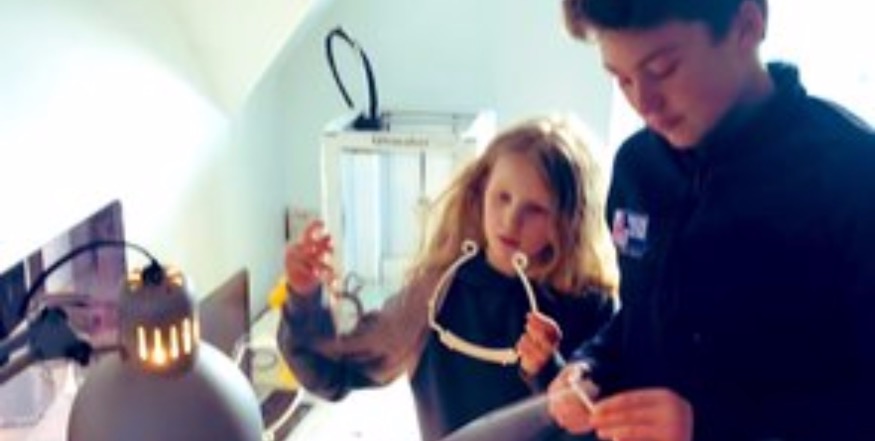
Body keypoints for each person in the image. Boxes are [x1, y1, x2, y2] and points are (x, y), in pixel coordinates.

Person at [547, 0, 875, 440]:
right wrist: (591, 364)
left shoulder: (854, 173)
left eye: (662, 69)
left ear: (748, 25)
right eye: (621, 79)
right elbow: (642, 317)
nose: (643, 102)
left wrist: (713, 425)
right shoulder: (636, 167)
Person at [277, 114, 619, 441]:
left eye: (535, 209)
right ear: (480, 191)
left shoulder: (591, 307)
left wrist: (549, 372)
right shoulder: (435, 293)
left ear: (568, 220)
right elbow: (331, 373)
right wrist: (305, 296)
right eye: (502, 197)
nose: (510, 221)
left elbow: (605, 427)